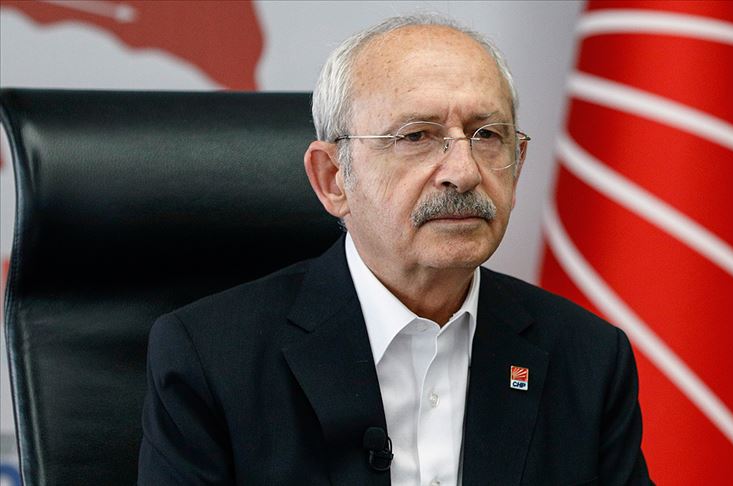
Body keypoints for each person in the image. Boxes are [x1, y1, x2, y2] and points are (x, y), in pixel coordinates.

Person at [138, 14, 652, 486]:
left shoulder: (587, 358)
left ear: (517, 166)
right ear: (334, 179)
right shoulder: (209, 359)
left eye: (486, 135)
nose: (464, 172)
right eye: (417, 136)